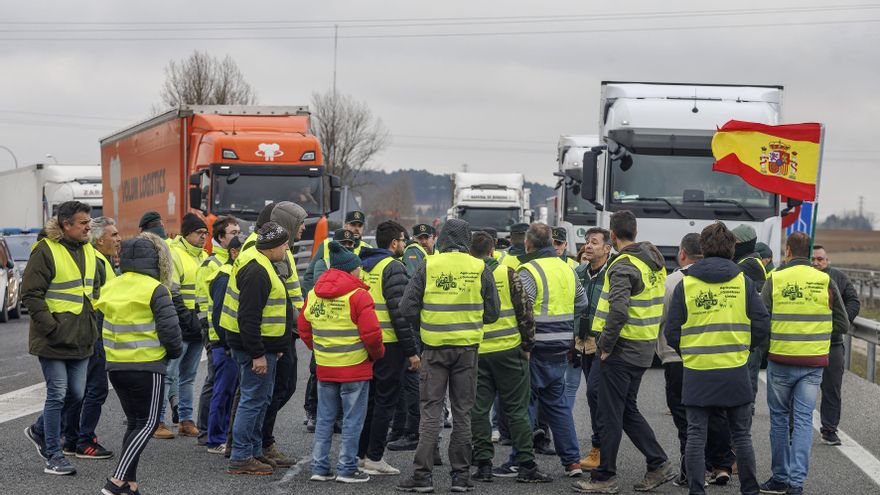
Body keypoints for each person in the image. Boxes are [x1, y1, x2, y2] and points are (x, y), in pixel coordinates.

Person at [665, 223, 770, 495]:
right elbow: (761, 324)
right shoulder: (742, 281)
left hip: (697, 370)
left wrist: (689, 352)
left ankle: (696, 490)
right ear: (732, 248)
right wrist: (743, 349)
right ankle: (750, 489)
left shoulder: (686, 284)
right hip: (734, 368)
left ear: (702, 247)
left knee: (697, 435)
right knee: (742, 435)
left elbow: (672, 331)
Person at [396, 218, 500, 493]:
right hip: (467, 351)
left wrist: (427, 322)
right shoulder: (480, 267)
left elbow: (406, 308)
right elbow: (492, 313)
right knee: (463, 413)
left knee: (430, 413)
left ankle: (422, 477)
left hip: (434, 348)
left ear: (442, 238)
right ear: (466, 239)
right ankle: (461, 477)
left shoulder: (428, 264)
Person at [574, 210, 674, 493]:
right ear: (635, 232)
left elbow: (618, 310)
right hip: (644, 347)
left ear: (613, 235)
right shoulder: (653, 263)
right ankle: (658, 463)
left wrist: (604, 346)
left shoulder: (622, 265)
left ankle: (605, 477)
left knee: (609, 414)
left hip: (620, 350)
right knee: (626, 410)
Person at [758, 232, 849, 495]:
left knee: (778, 420)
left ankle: (779, 478)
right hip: (812, 364)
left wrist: (769, 347)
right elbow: (842, 323)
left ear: (787, 250)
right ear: (809, 253)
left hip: (780, 360)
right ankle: (796, 484)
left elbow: (762, 320)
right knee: (802, 419)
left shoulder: (775, 278)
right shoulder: (825, 280)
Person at [96, 232, 183, 495]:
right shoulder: (156, 289)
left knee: (135, 422)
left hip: (116, 366)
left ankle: (130, 484)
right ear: (155, 259)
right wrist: (174, 352)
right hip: (148, 365)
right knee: (148, 423)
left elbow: (101, 325)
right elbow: (170, 331)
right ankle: (117, 480)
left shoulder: (111, 286)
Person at [468, 231, 552, 484]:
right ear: (493, 251)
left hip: (478, 352)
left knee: (479, 410)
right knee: (516, 410)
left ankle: (483, 465)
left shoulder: (468, 276)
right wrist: (527, 346)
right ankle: (526, 465)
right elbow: (525, 313)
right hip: (510, 352)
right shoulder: (507, 273)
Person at [22, 201, 99, 475]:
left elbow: (96, 289)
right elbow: (30, 294)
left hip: (82, 339)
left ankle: (39, 430)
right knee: (57, 394)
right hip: (53, 339)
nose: (89, 227)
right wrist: (52, 327)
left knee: (76, 394)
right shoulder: (45, 250)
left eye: (89, 222)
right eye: (83, 223)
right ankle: (54, 455)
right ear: (66, 225)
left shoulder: (89, 249)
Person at [300, 241, 385, 483]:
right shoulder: (358, 295)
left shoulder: (314, 293)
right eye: (358, 267)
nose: (361, 270)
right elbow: (372, 335)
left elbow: (304, 327)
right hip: (355, 368)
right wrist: (376, 355)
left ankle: (319, 467)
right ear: (350, 270)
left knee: (325, 419)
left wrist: (319, 349)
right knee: (352, 420)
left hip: (326, 366)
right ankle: (347, 468)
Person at [659, 233, 734, 487]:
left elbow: (664, 321)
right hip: (715, 356)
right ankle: (722, 465)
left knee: (686, 419)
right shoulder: (727, 279)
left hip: (677, 358)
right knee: (717, 413)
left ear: (682, 253)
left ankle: (691, 471)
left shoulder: (672, 282)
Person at [516, 223, 586, 478]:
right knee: (557, 405)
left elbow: (524, 309)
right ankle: (572, 463)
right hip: (561, 345)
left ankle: (518, 460)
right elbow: (582, 302)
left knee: (525, 404)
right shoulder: (566, 268)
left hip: (536, 347)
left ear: (528, 244)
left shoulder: (529, 270)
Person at [223, 222, 294, 475]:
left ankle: (253, 452)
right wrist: (258, 354)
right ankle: (242, 456)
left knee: (260, 399)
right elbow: (249, 318)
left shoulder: (259, 260)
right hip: (254, 348)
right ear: (272, 246)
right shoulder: (256, 270)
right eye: (284, 243)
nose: (287, 247)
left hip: (263, 346)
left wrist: (276, 346)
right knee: (252, 400)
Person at [356, 221, 421, 475]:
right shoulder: (393, 267)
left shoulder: (365, 265)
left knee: (370, 401)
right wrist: (412, 351)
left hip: (367, 342)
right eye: (403, 240)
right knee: (386, 402)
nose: (405, 245)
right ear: (394, 243)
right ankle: (374, 457)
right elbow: (400, 313)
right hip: (390, 344)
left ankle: (362, 454)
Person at [60, 216, 119, 460]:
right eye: (113, 235)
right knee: (95, 389)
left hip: (94, 332)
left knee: (81, 389)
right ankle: (84, 441)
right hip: (94, 333)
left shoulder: (102, 260)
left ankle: (70, 439)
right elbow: (95, 302)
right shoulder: (97, 262)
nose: (118, 239)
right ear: (98, 240)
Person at [154, 213, 208, 439]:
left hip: (197, 325)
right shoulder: (175, 254)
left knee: (189, 376)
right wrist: (188, 319)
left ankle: (186, 420)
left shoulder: (204, 256)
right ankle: (158, 422)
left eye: (206, 233)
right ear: (187, 234)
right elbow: (172, 290)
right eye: (199, 233)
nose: (203, 237)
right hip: (181, 322)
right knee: (168, 375)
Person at [304, 227, 357, 431]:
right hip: (325, 323)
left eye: (350, 244)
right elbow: (319, 285)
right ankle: (313, 412)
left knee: (343, 374)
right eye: (342, 244)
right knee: (317, 371)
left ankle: (338, 415)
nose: (346, 247)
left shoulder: (355, 263)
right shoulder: (323, 263)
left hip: (345, 326)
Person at [389, 223, 436, 450]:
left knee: (411, 381)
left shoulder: (419, 255)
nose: (422, 242)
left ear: (433, 238)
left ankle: (412, 432)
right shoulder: (414, 253)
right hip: (418, 324)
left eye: (426, 238)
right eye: (419, 238)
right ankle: (404, 429)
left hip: (418, 326)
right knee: (411, 380)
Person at [196, 216, 241, 445]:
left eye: (238, 231)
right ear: (220, 237)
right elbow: (207, 304)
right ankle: (207, 431)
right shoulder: (213, 265)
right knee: (216, 384)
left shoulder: (231, 262)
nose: (237, 235)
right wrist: (212, 335)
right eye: (233, 232)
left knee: (220, 383)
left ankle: (212, 430)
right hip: (216, 334)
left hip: (220, 333)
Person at [812, 244, 861, 446]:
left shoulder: (839, 278)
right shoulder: (802, 277)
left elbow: (854, 301)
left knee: (832, 389)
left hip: (832, 344)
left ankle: (829, 429)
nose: (816, 263)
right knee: (799, 387)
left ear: (827, 261)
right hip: (806, 344)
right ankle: (793, 428)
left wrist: (841, 323)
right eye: (813, 259)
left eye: (820, 259)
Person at [574, 227, 613, 472]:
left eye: (595, 242)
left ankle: (601, 448)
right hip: (583, 342)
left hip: (605, 344)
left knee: (596, 395)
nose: (588, 246)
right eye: (587, 242)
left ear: (607, 248)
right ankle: (601, 449)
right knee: (593, 395)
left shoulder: (613, 272)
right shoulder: (579, 272)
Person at [204, 236, 243, 454]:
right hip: (223, 344)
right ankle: (215, 438)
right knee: (223, 392)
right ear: (234, 252)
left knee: (229, 391)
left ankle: (222, 436)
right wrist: (228, 344)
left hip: (228, 343)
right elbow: (220, 314)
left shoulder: (233, 273)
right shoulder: (224, 276)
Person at [303, 210, 372, 293]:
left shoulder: (368, 249)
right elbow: (309, 276)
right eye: (353, 225)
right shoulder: (327, 245)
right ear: (345, 225)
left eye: (360, 225)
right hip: (328, 299)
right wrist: (312, 299)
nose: (357, 229)